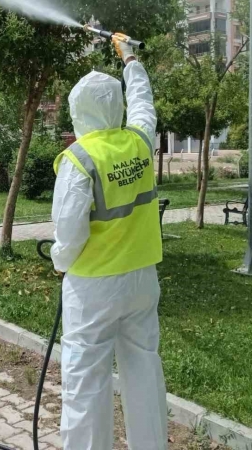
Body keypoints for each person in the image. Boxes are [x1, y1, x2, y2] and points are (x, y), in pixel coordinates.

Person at [50, 36, 166, 450]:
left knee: (86, 381)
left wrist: (58, 260)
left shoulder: (79, 159)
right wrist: (130, 58)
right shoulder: (138, 142)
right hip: (141, 280)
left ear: (77, 111)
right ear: (115, 108)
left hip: (94, 287)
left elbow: (68, 233)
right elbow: (143, 103)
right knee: (144, 370)